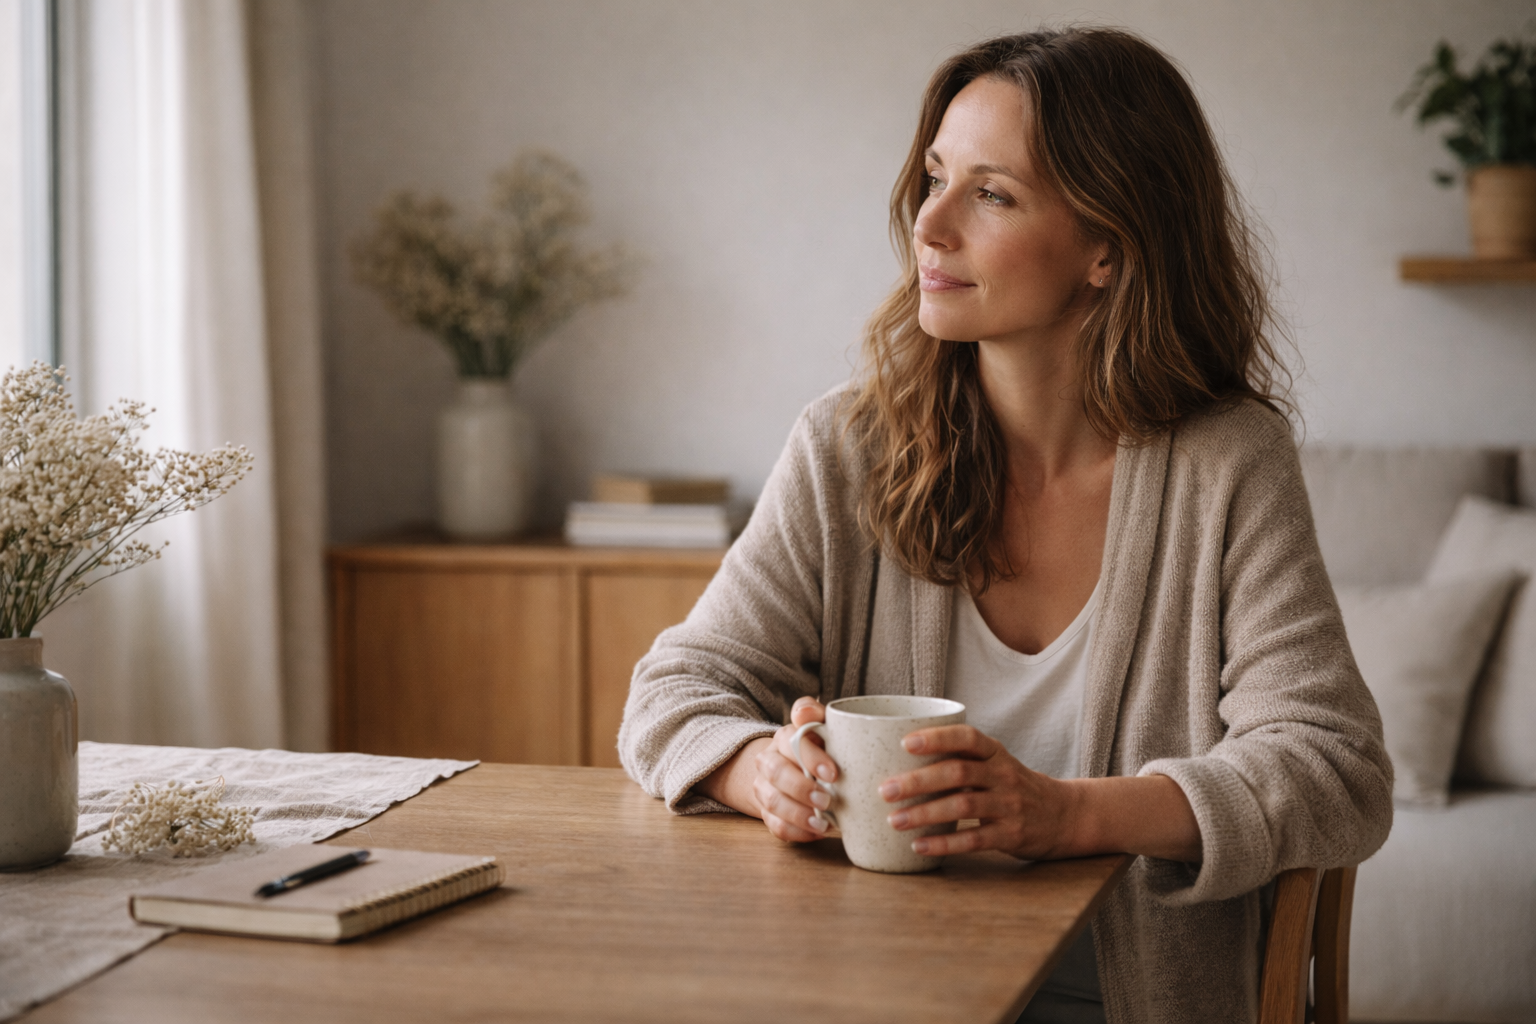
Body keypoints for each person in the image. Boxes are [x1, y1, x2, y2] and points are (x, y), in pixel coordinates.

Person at [618, 27, 1392, 1024]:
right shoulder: (845, 447)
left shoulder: (1228, 464)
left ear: (1107, 248)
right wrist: (759, 765)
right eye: (936, 176)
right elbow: (674, 690)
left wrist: (1066, 812)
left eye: (992, 194)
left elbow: (1335, 767)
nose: (929, 225)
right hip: (884, 994)